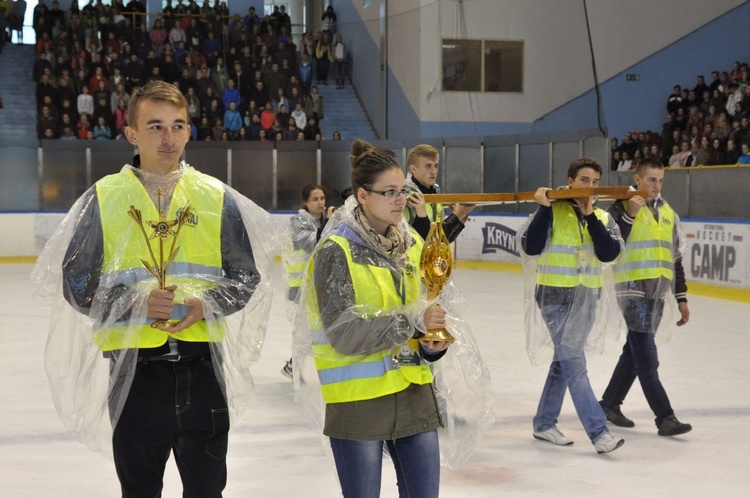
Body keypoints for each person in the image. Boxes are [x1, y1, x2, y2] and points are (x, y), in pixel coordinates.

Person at [32, 81, 276, 497]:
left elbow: (245, 277)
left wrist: (209, 303)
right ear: (132, 133)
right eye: (156, 126)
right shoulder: (104, 198)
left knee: (207, 491)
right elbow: (76, 284)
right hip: (135, 375)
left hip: (203, 371)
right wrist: (134, 304)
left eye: (178, 126)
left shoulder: (216, 197)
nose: (169, 138)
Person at [292, 139, 493, 497]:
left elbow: (421, 313)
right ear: (362, 195)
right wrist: (413, 321)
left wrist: (431, 345)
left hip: (414, 392)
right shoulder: (335, 251)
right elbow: (344, 333)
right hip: (359, 401)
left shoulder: (412, 245)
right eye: (389, 192)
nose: (400, 199)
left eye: (402, 191)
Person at [519, 157, 625, 454]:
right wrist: (543, 208)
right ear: (570, 181)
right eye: (584, 180)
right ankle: (599, 432)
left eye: (594, 181)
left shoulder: (601, 217)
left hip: (587, 298)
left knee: (564, 364)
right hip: (554, 296)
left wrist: (590, 217)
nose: (589, 186)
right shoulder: (552, 209)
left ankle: (543, 423)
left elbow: (608, 254)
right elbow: (530, 246)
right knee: (575, 365)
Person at [599, 158, 693, 437]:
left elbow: (674, 258)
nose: (656, 185)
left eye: (660, 180)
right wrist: (628, 213)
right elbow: (609, 247)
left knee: (634, 352)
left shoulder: (667, 212)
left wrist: (681, 297)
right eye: (651, 179)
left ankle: (609, 404)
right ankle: (665, 417)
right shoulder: (618, 206)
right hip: (631, 290)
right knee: (647, 358)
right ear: (637, 179)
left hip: (658, 293)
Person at [281, 183, 335, 379]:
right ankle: (293, 365)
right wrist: (330, 223)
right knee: (308, 328)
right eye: (315, 199)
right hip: (300, 285)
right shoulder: (299, 222)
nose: (320, 202)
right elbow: (316, 244)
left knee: (313, 328)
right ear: (305, 202)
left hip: (317, 284)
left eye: (322, 198)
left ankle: (293, 365)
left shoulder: (322, 222)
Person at [403, 144, 473, 242]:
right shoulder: (407, 195)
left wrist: (459, 221)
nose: (434, 171)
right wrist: (455, 217)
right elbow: (429, 241)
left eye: (436, 166)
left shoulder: (435, 190)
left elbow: (442, 241)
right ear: (413, 169)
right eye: (428, 166)